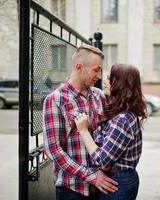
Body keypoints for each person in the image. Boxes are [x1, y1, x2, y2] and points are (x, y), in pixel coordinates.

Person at [43, 45, 118, 200]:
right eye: (96, 70)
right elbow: (53, 150)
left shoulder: (99, 96)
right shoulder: (55, 100)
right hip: (71, 189)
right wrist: (90, 175)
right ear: (79, 67)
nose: (99, 75)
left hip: (101, 187)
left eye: (101, 70)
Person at [75, 64, 147, 200]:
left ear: (120, 84)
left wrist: (83, 130)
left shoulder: (122, 119)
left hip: (118, 183)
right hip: (119, 179)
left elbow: (102, 161)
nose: (104, 80)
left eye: (109, 78)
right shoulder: (121, 113)